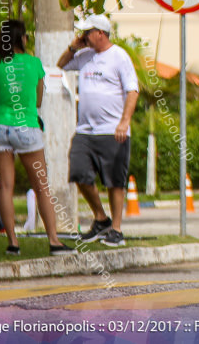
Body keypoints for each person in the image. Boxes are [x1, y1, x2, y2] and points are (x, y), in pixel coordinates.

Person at [0, 20, 75, 255]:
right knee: (41, 187)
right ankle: (54, 241)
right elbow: (39, 101)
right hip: (27, 127)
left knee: (6, 188)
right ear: (23, 39)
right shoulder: (34, 63)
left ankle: (13, 243)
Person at [57, 13, 139, 248]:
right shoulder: (84, 56)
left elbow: (132, 91)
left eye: (87, 32)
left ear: (100, 33)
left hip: (113, 130)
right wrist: (74, 47)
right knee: (79, 173)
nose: (83, 35)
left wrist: (124, 122)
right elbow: (61, 64)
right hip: (85, 131)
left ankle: (116, 230)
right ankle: (101, 218)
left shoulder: (119, 57)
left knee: (114, 181)